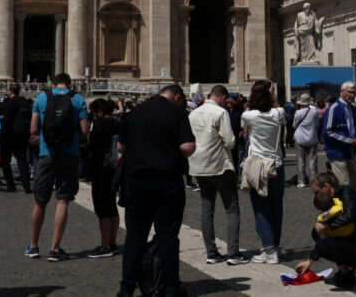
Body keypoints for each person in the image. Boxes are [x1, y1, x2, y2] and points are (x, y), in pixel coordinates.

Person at [117, 85, 195, 297]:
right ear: (177, 97)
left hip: (137, 183)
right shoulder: (178, 112)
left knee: (135, 236)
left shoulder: (134, 113)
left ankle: (126, 288)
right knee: (168, 236)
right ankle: (170, 287)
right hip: (167, 182)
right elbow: (187, 147)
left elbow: (120, 148)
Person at [26, 73, 89, 261]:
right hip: (70, 154)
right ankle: (55, 248)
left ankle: (33, 246)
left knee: (40, 201)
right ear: (70, 84)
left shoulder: (42, 97)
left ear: (52, 84)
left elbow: (32, 130)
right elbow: (85, 131)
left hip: (47, 153)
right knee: (62, 200)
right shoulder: (78, 99)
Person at [187, 85, 247, 265]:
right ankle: (233, 253)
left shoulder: (193, 114)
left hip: (199, 167)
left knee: (207, 209)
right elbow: (229, 142)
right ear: (222, 97)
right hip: (220, 166)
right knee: (232, 209)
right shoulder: (221, 113)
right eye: (226, 100)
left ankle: (211, 253)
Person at [295, 171, 356, 291]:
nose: (316, 196)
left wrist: (326, 227)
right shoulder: (334, 199)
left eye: (316, 192)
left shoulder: (347, 193)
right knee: (317, 235)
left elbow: (349, 217)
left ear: (326, 186)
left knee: (324, 244)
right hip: (354, 239)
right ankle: (345, 273)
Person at [240, 79, 286, 264]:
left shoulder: (249, 116)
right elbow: (280, 112)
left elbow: (244, 131)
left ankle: (270, 250)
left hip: (258, 166)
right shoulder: (278, 112)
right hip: (277, 164)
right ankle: (273, 244)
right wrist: (274, 98)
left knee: (261, 207)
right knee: (277, 207)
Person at [86, 99, 120, 258]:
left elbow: (92, 149)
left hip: (101, 170)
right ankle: (112, 242)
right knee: (112, 206)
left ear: (99, 111)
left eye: (93, 112)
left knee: (102, 208)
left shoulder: (98, 125)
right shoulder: (117, 123)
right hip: (114, 169)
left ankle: (105, 245)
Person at [323, 81, 356, 189]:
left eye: (354, 93)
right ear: (342, 92)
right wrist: (349, 140)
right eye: (349, 92)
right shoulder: (333, 108)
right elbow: (328, 131)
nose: (352, 95)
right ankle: (343, 204)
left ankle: (348, 202)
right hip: (338, 152)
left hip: (351, 151)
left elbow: (355, 126)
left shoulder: (351, 108)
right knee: (343, 184)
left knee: (355, 181)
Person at [0, 83, 32, 194]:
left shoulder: (9, 103)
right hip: (22, 135)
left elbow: (6, 121)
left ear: (10, 91)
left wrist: (2, 136)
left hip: (9, 136)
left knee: (5, 161)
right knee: (22, 161)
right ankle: (27, 186)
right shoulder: (24, 102)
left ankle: (11, 185)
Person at [292, 94, 320, 188]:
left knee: (301, 160)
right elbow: (317, 124)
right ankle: (314, 181)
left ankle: (302, 181)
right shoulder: (315, 111)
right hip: (312, 138)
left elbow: (294, 125)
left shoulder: (298, 113)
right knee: (312, 161)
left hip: (300, 138)